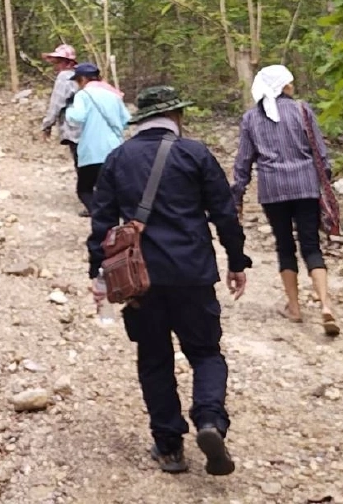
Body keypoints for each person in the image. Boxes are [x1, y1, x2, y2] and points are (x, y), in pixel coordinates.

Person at [86, 86, 251, 476]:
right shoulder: (195, 154)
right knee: (206, 353)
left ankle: (169, 447)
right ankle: (210, 421)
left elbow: (101, 224)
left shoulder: (118, 158)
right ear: (177, 116)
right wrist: (236, 260)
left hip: (140, 280)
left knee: (154, 358)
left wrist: (98, 277)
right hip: (193, 274)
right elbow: (225, 214)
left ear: (142, 119)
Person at [231, 64, 339, 336]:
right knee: (311, 246)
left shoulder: (251, 118)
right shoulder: (303, 110)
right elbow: (320, 153)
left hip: (273, 190)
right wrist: (324, 181)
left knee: (284, 246)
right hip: (306, 186)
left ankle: (294, 307)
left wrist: (238, 193)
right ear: (284, 86)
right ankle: (325, 304)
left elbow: (244, 160)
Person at [64, 63, 130, 216]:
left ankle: (98, 214)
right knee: (109, 187)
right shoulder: (114, 94)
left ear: (83, 79)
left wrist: (69, 108)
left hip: (92, 150)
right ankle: (111, 215)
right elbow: (126, 120)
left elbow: (76, 117)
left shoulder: (83, 95)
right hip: (115, 148)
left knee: (84, 189)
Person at [39, 44, 86, 212]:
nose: (55, 66)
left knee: (82, 165)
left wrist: (47, 124)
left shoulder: (64, 78)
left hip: (75, 128)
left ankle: (91, 202)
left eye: (57, 62)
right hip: (91, 126)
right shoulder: (84, 76)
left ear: (66, 62)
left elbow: (56, 103)